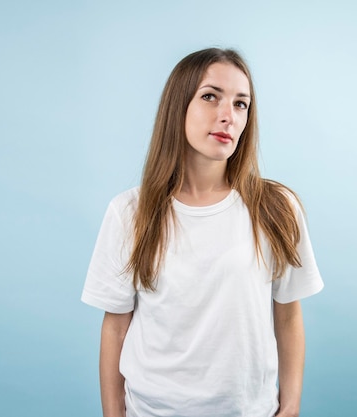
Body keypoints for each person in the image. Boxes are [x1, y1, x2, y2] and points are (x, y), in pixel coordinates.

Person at [81, 47, 324, 417]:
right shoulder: (130, 213)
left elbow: (288, 316)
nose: (228, 116)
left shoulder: (276, 207)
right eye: (210, 97)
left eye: (241, 104)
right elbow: (115, 328)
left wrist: (290, 407)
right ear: (178, 106)